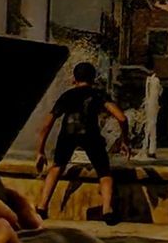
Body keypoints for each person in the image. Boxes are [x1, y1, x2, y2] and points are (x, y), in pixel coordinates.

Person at [31, 63, 129, 223]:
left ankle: (42, 207)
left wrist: (40, 151)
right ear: (93, 78)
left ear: (74, 79)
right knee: (104, 172)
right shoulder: (98, 94)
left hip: (68, 133)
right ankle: (107, 210)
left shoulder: (67, 95)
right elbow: (122, 118)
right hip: (90, 135)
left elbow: (46, 125)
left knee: (57, 167)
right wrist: (125, 141)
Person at [138, 57, 163, 160]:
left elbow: (155, 94)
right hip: (150, 106)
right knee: (149, 128)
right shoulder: (150, 80)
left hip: (152, 106)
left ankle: (150, 150)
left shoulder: (153, 80)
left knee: (151, 128)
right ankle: (148, 149)